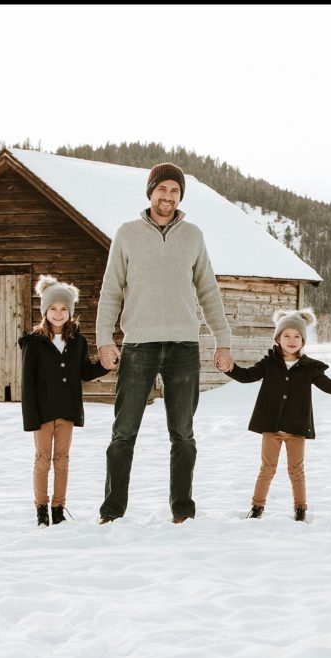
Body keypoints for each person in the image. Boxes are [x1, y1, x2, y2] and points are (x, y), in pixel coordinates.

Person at [95, 162, 233, 524]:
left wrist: (223, 341)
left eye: (175, 191)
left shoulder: (193, 235)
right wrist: (104, 339)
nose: (168, 197)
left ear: (180, 196)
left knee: (183, 434)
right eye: (162, 189)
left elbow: (208, 291)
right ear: (150, 192)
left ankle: (182, 511)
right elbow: (110, 290)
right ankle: (112, 511)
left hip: (184, 346)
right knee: (123, 432)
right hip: (138, 345)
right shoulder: (126, 234)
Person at [220, 309, 331, 521]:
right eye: (286, 336)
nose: (292, 340)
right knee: (267, 468)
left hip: (296, 428)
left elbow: (328, 385)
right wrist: (230, 368)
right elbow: (247, 376)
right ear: (278, 338)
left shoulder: (309, 367)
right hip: (271, 427)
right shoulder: (269, 363)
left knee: (296, 470)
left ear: (303, 340)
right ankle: (257, 507)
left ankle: (300, 509)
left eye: (297, 336)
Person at [19, 276, 109, 527]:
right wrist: (31, 418)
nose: (58, 313)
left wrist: (105, 366)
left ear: (70, 312)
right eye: (53, 308)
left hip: (67, 410)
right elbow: (27, 384)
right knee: (42, 459)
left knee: (62, 460)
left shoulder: (77, 342)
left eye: (63, 309)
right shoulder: (33, 343)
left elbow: (84, 372)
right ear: (45, 310)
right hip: (42, 412)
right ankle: (41, 509)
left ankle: (58, 509)